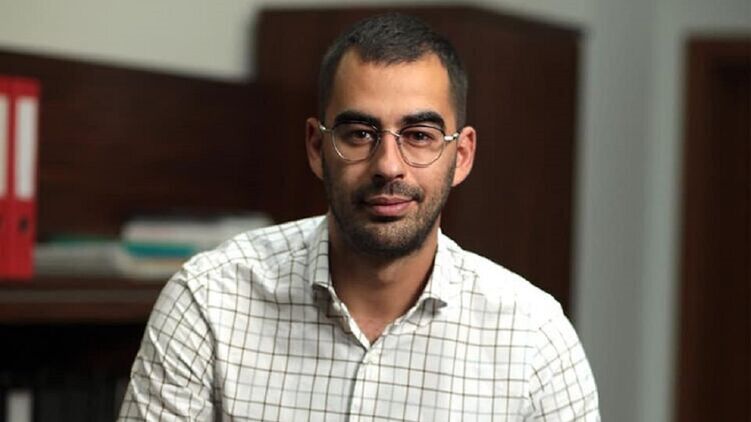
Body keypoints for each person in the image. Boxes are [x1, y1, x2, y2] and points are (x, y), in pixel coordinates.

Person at [118, 13, 599, 421]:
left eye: (419, 135)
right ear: (316, 146)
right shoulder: (209, 300)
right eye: (360, 133)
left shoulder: (534, 340)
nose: (388, 165)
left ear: (463, 155)